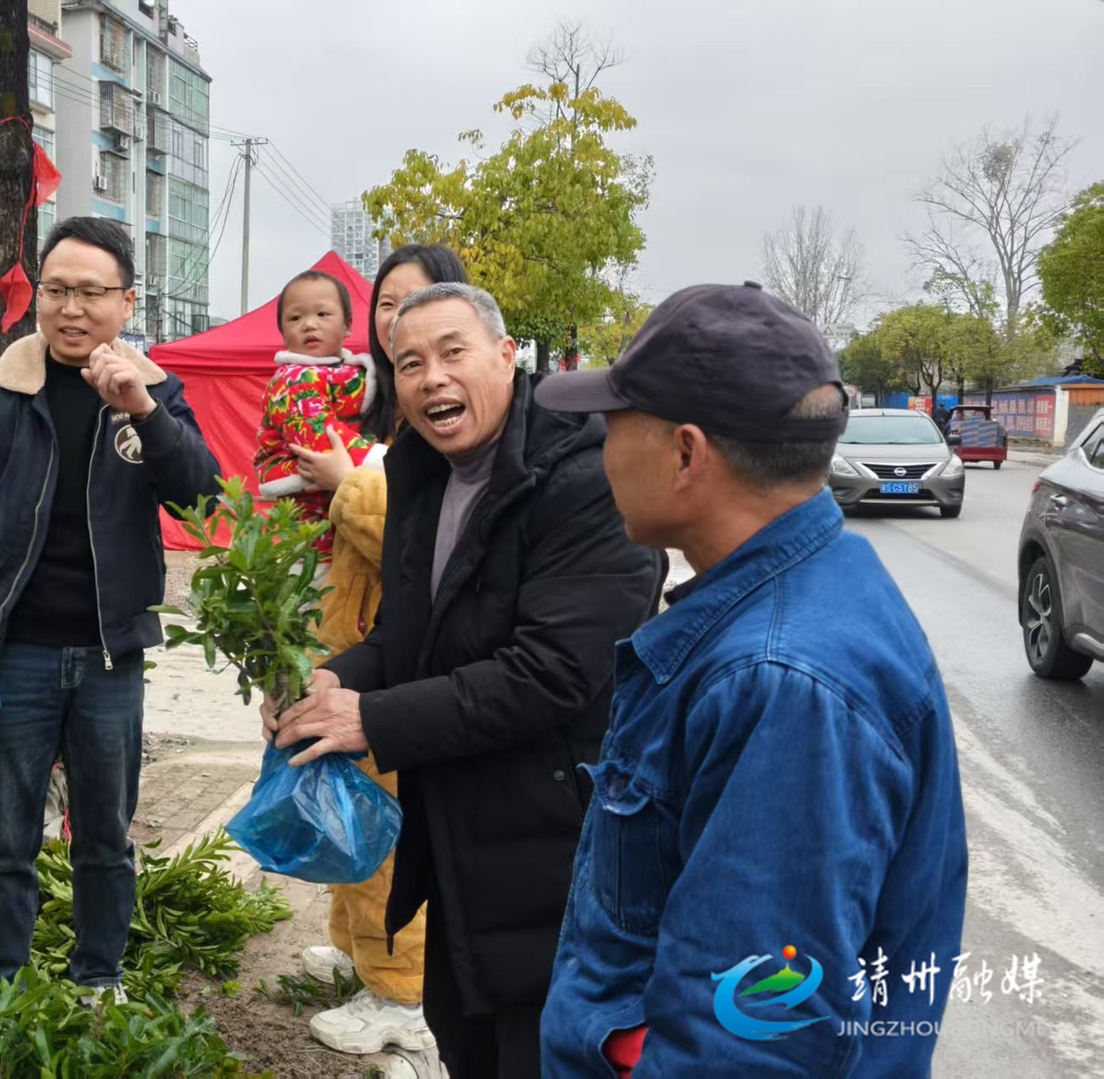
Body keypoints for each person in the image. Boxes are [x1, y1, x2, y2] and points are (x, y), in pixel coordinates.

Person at [535, 282, 968, 1077]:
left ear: (686, 454)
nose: (600, 448)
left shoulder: (779, 681)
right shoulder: (819, 580)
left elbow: (745, 1042)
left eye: (613, 424)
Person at [267, 281, 664, 1077]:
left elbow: (549, 673)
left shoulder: (585, 478)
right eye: (409, 362)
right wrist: (330, 680)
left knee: (542, 1049)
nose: (431, 378)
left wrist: (371, 719)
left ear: (506, 356)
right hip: (456, 841)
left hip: (557, 846)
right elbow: (410, 635)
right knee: (463, 1036)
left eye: (453, 352)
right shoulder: (422, 472)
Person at [0, 218, 220, 1019]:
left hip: (111, 656)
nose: (71, 308)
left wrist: (143, 410)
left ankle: (98, 982)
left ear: (126, 302)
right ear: (36, 296)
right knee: (3, 840)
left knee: (106, 837)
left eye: (90, 292)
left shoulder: (155, 392)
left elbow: (198, 495)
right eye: (56, 290)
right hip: (13, 654)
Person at [282, 245, 470, 1062]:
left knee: (386, 843)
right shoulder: (371, 409)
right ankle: (360, 954)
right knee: (347, 830)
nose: (394, 319)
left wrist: (343, 479)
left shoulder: (439, 421)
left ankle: (401, 997)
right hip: (349, 646)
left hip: (402, 668)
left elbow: (421, 539)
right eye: (386, 304)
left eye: (415, 302)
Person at [253, 270, 381, 561]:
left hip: (353, 507)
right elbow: (323, 435)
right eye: (295, 318)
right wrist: (385, 461)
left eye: (323, 314)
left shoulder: (356, 373)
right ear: (282, 332)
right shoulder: (292, 380)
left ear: (348, 325)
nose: (309, 324)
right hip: (310, 520)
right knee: (314, 585)